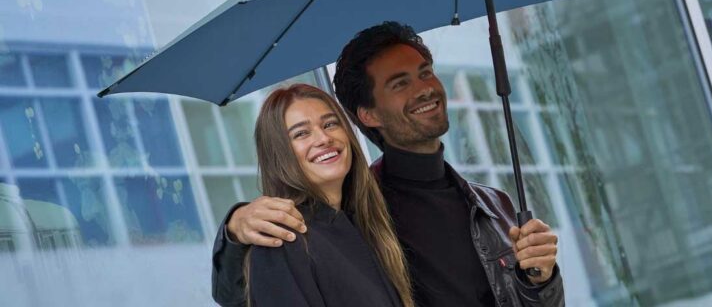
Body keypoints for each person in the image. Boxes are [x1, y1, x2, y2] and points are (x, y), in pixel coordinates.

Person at [213, 22, 565, 307]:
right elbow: (242, 292)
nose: (424, 89)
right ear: (367, 114)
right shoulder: (359, 210)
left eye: (425, 73)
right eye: (400, 84)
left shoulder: (493, 204)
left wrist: (541, 280)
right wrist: (234, 230)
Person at [244, 83, 413, 307]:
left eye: (330, 124)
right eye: (301, 133)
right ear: (279, 155)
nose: (324, 138)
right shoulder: (282, 242)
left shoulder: (370, 224)